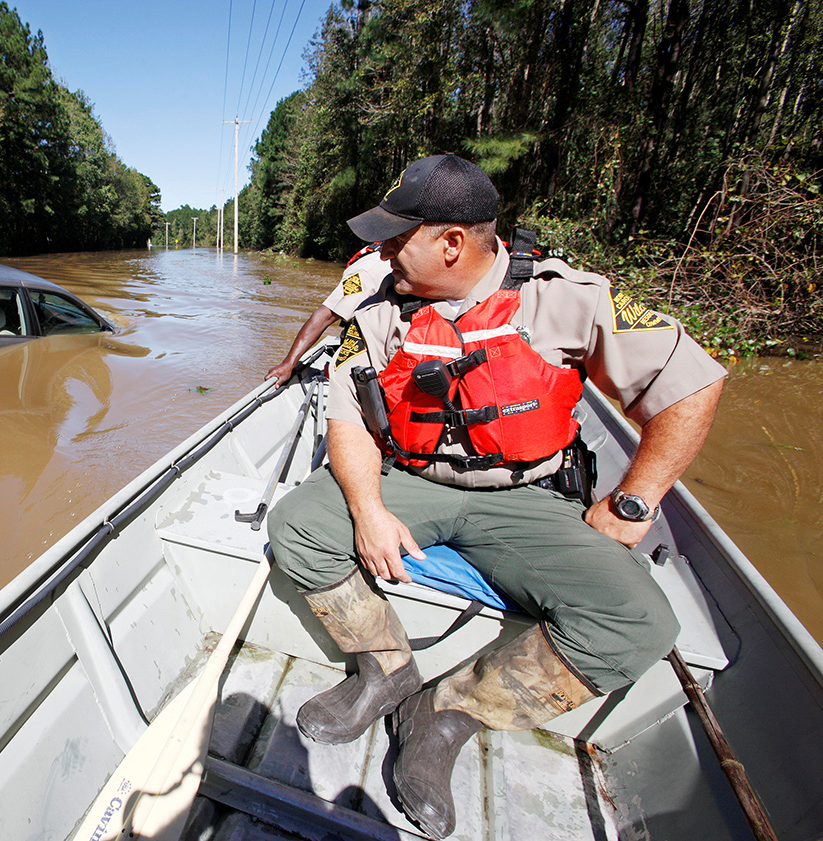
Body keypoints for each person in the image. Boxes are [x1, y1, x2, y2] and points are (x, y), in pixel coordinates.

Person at [266, 154, 726, 838]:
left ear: (451, 242)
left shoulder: (564, 296)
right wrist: (369, 511)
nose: (381, 253)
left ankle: (444, 712)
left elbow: (691, 383)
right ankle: (386, 671)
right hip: (411, 478)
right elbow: (346, 420)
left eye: (397, 240)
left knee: (639, 623)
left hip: (528, 494)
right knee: (299, 525)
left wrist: (634, 500)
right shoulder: (377, 310)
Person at [264, 246, 386, 385]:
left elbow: (325, 315)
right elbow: (325, 315)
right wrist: (289, 363)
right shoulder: (371, 268)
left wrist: (288, 363)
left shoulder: (377, 266)